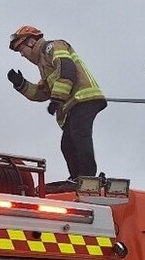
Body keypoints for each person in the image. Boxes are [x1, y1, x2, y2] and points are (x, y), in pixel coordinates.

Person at [6, 25, 107, 186]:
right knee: (67, 144)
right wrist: (21, 84)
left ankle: (88, 178)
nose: (22, 55)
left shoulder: (52, 47)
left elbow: (67, 70)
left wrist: (57, 99)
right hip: (74, 104)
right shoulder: (43, 65)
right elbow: (42, 92)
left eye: (21, 49)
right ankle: (76, 178)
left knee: (79, 135)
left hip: (83, 98)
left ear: (31, 42)